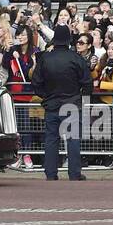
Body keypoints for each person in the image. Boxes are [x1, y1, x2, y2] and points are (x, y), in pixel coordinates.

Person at [30, 25, 91, 180]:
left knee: (51, 139)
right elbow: (87, 83)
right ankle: (74, 173)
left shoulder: (45, 58)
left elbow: (36, 82)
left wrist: (45, 96)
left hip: (51, 104)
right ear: (69, 40)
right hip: (72, 103)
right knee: (73, 139)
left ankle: (50, 173)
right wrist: (81, 99)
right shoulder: (76, 58)